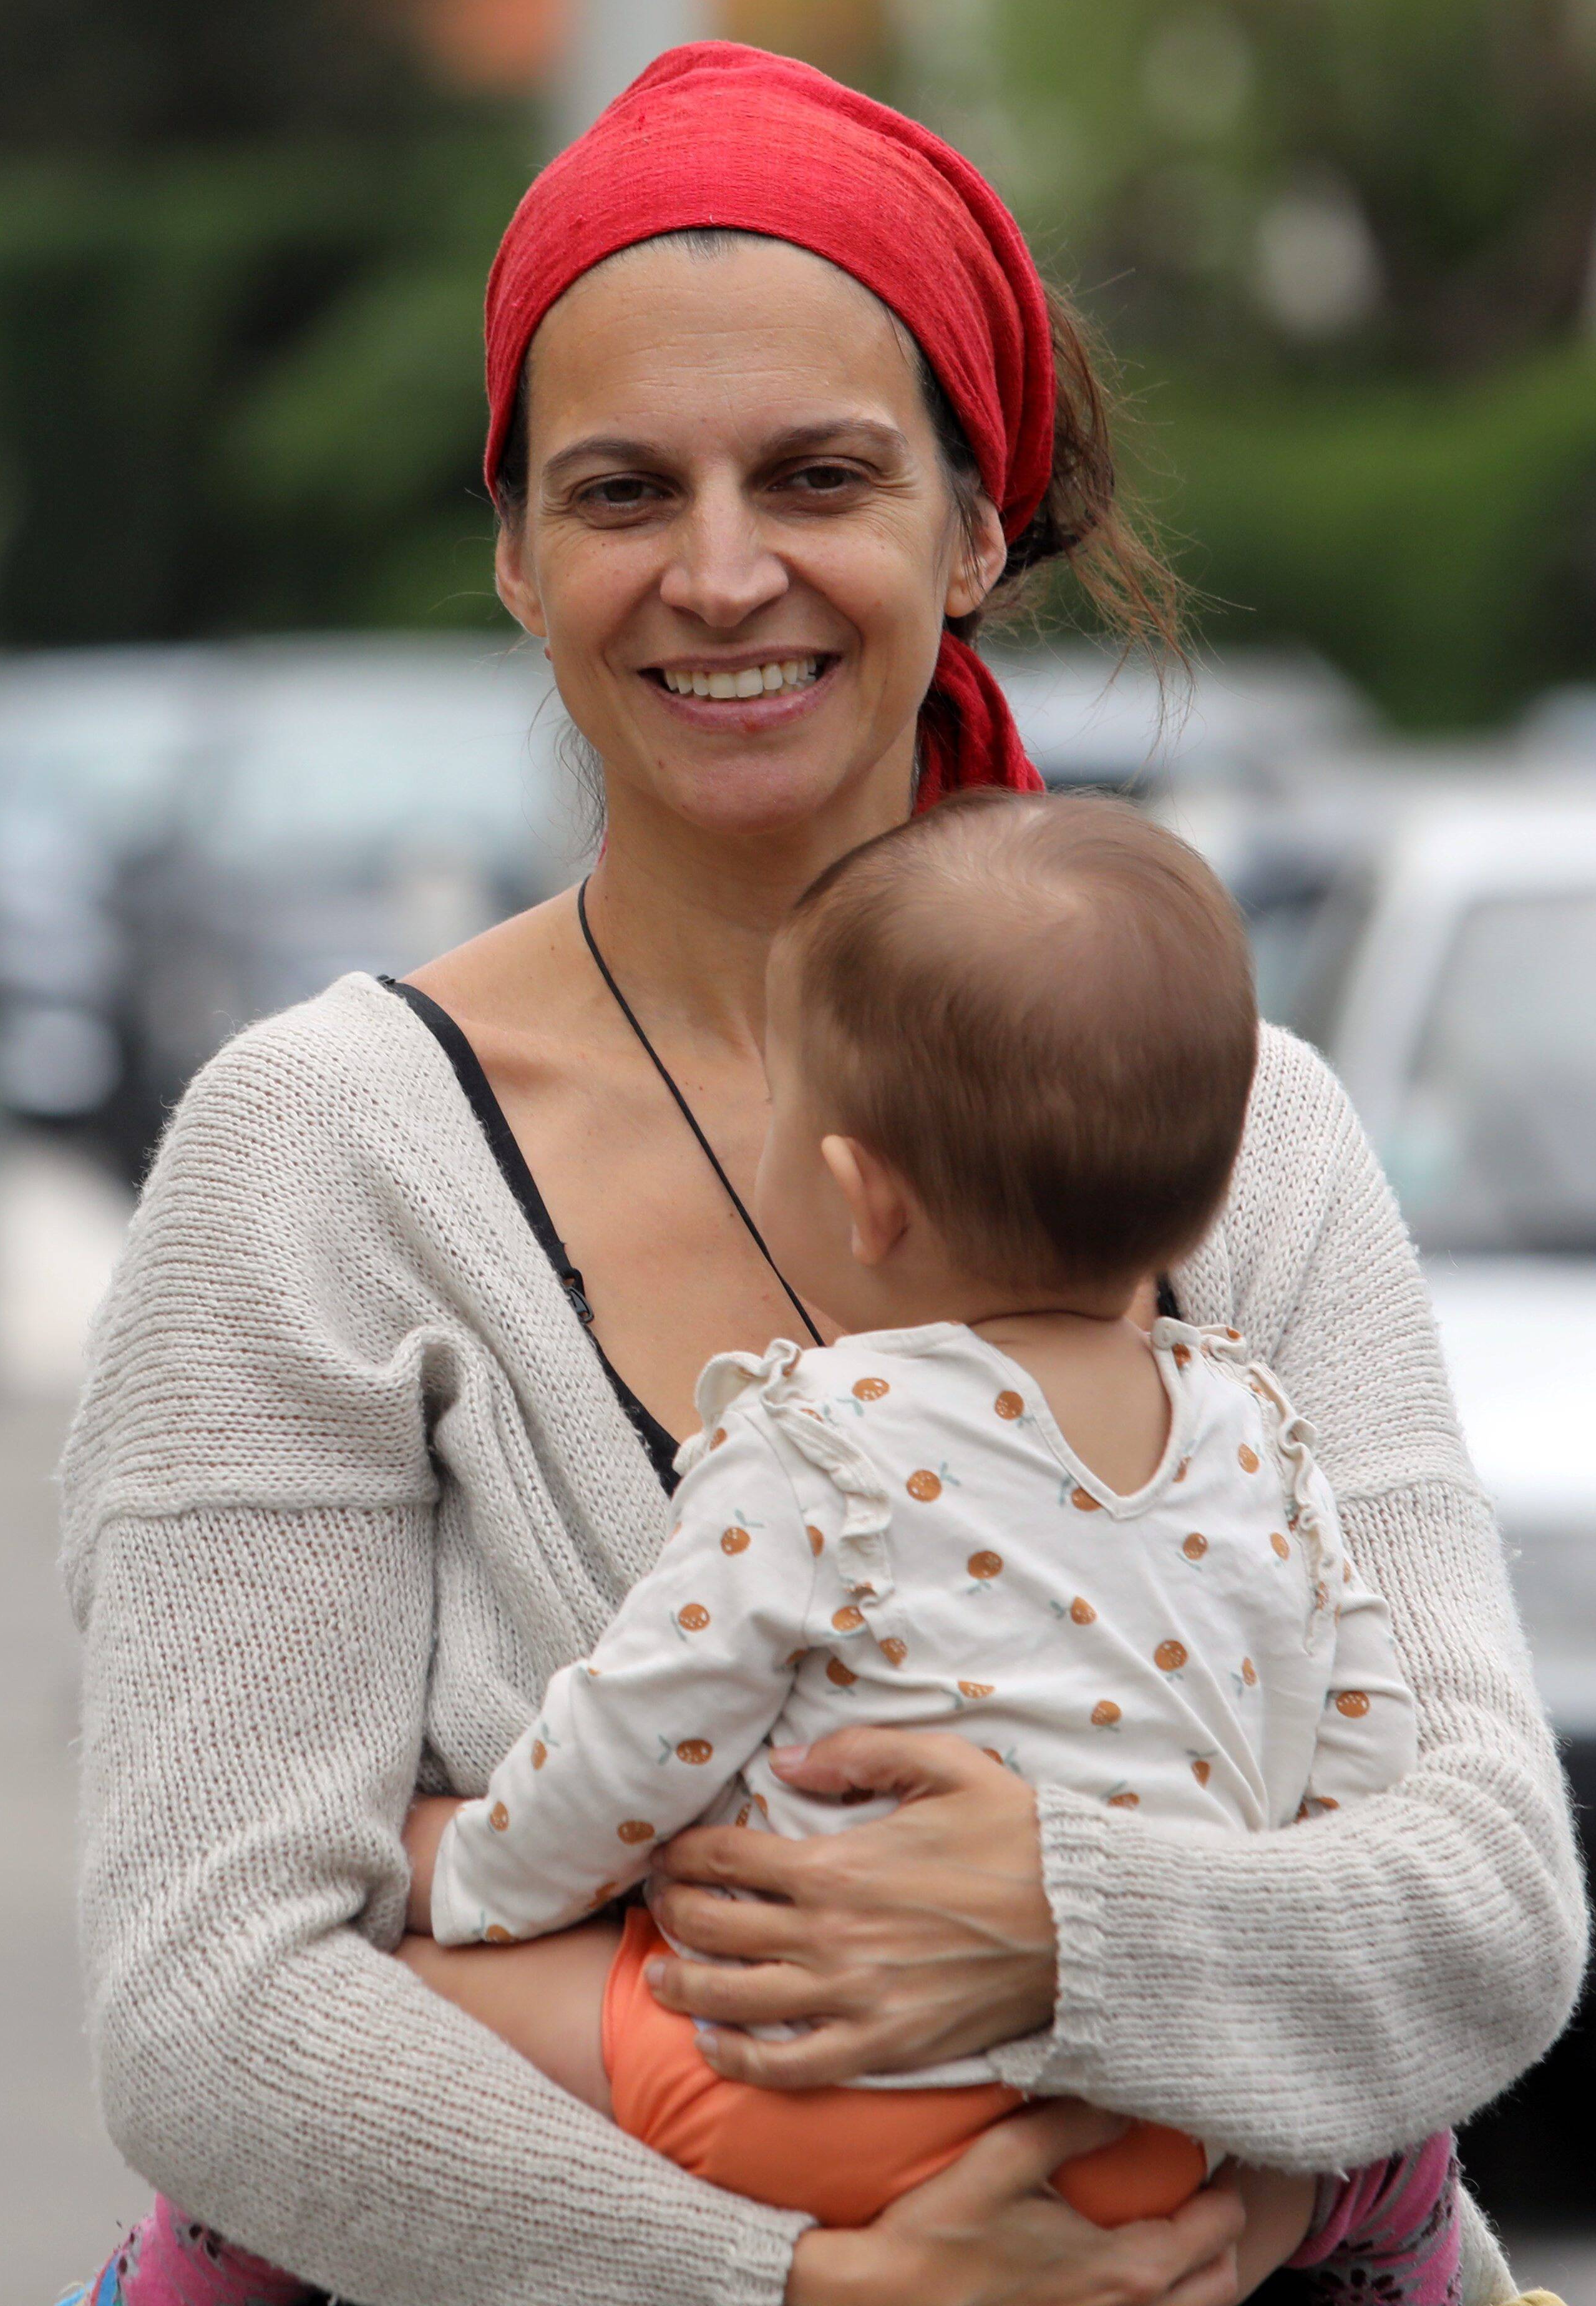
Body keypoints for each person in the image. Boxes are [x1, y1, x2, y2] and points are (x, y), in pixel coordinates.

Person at [61, 43, 1584, 2306]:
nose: (721, 569)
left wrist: (1062, 1920)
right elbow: (210, 2002)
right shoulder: (328, 1152)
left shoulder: (1244, 1135)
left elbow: (1492, 1908)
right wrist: (800, 2289)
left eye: (818, 474)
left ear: (977, 525)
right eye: (618, 492)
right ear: (514, 555)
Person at [386, 793, 1449, 2304]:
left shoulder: (823, 1438)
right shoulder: (1258, 1434)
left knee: (433, 1986)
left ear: (862, 1195)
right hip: (1156, 2133)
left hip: (834, 2109)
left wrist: (477, 1869)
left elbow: (648, 1727)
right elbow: (1370, 1751)